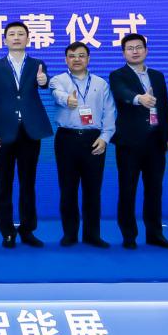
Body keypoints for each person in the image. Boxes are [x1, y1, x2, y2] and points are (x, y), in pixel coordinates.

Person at [0, 22, 52, 248]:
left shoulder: (37, 64)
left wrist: (44, 81)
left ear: (28, 39)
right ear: (4, 40)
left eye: (20, 34)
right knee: (4, 183)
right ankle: (7, 232)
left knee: (27, 183)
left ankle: (27, 230)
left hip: (30, 132)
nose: (16, 37)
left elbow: (44, 84)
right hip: (4, 133)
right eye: (11, 34)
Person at [108, 33, 168, 250]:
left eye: (139, 47)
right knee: (127, 189)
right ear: (123, 53)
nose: (135, 51)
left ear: (146, 51)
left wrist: (167, 136)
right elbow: (121, 93)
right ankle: (129, 235)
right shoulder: (117, 75)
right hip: (129, 142)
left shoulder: (158, 76)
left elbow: (164, 107)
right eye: (130, 48)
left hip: (155, 141)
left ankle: (155, 234)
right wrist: (140, 99)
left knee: (154, 189)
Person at [49, 42, 116, 248]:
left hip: (94, 139)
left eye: (81, 55)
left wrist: (105, 137)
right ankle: (69, 234)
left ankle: (92, 235)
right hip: (67, 139)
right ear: (65, 59)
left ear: (88, 59)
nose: (76, 59)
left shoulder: (101, 83)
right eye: (72, 56)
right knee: (67, 189)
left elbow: (109, 112)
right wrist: (67, 100)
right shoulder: (58, 80)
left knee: (93, 190)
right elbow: (57, 94)